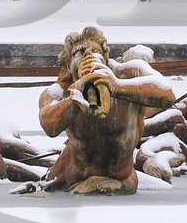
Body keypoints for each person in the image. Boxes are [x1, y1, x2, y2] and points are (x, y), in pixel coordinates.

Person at [32, 26, 177, 194]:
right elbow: (49, 124)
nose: (89, 56)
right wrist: (76, 97)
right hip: (73, 178)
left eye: (95, 51)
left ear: (105, 58)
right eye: (80, 53)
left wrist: (116, 86)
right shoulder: (61, 91)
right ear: (69, 62)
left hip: (120, 179)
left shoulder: (126, 74)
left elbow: (167, 94)